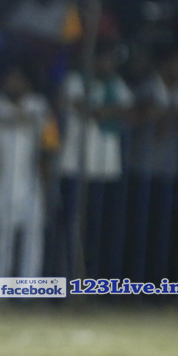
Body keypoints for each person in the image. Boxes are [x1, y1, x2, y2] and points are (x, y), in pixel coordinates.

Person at [57, 46, 135, 278]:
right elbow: (87, 108)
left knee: (99, 228)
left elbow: (131, 111)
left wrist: (109, 111)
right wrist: (113, 110)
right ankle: (70, 278)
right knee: (73, 227)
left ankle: (93, 278)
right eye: (104, 60)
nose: (108, 65)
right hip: (74, 166)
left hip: (106, 170)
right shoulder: (75, 80)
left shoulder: (116, 84)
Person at [129, 48, 178, 282]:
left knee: (164, 230)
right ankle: (136, 282)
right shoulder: (146, 87)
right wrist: (170, 115)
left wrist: (166, 115)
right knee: (140, 229)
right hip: (142, 169)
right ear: (165, 65)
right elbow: (145, 110)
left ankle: (160, 283)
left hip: (170, 171)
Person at [0, 66, 53, 278]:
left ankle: (28, 286)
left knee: (33, 238)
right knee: (2, 239)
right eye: (9, 79)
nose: (12, 84)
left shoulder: (38, 104)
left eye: (16, 79)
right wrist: (29, 119)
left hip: (30, 181)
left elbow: (48, 139)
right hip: (2, 181)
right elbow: (14, 118)